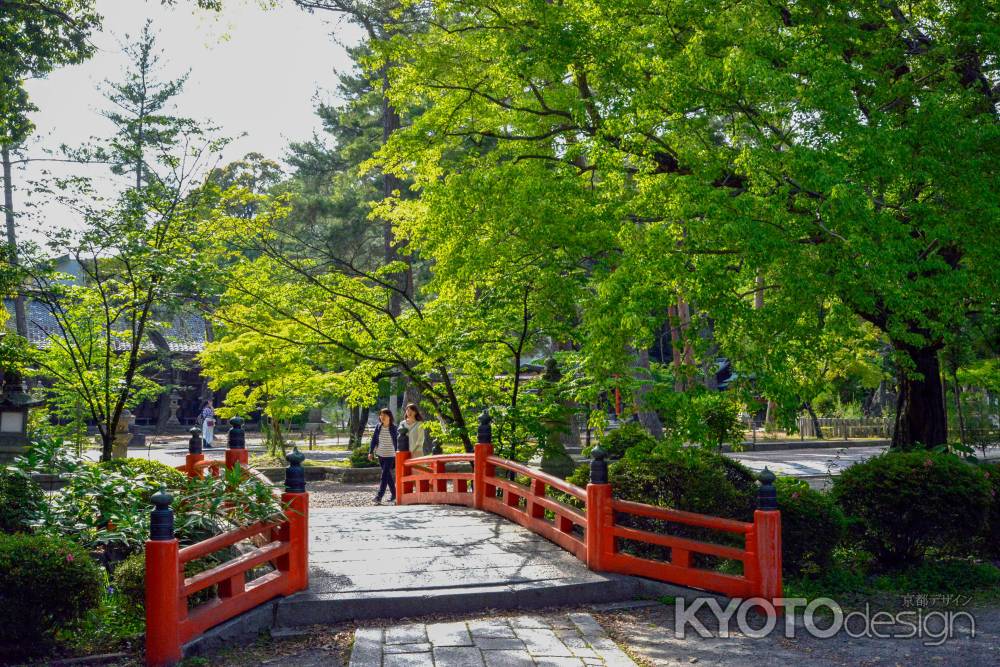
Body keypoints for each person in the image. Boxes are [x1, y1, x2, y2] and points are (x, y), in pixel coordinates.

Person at [368, 408, 398, 504]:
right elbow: (373, 440)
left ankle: (379, 496)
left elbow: (398, 442)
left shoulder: (394, 428)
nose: (382, 417)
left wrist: (398, 453)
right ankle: (395, 494)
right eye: (381, 415)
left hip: (391, 455)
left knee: (384, 475)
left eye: (384, 415)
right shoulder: (378, 427)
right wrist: (370, 452)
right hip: (381, 455)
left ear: (389, 417)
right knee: (387, 476)